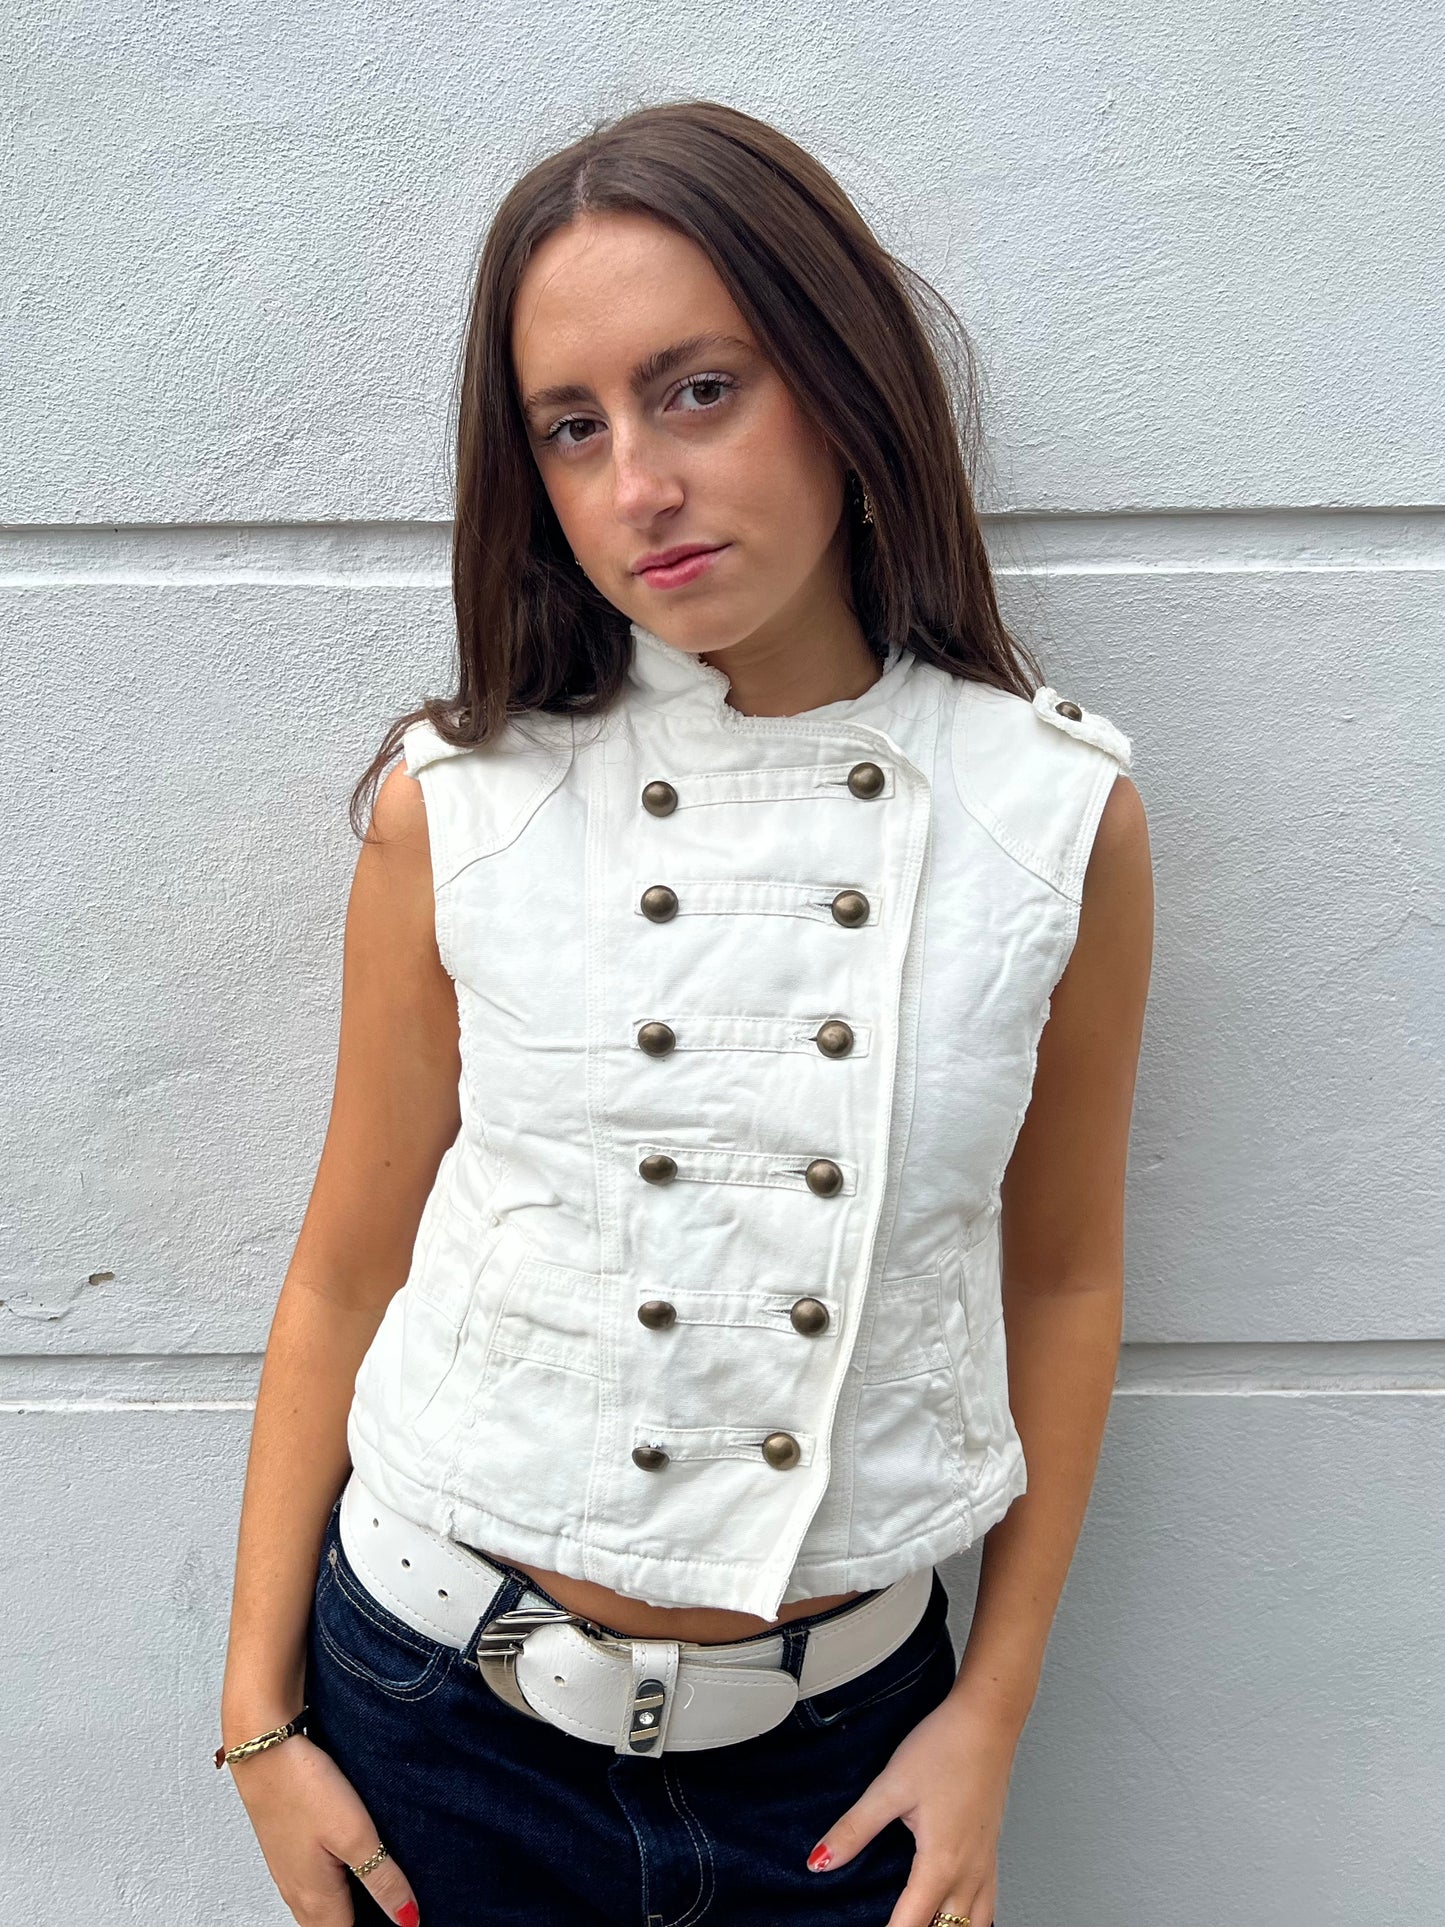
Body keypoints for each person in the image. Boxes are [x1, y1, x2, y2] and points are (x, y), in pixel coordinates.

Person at [215, 99, 1153, 1927]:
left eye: (697, 391)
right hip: (433, 1724)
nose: (636, 484)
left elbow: (1061, 1280)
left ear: (845, 390)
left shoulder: (1051, 816)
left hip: (843, 1767)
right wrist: (259, 1717)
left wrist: (991, 1711)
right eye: (571, 427)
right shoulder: (460, 804)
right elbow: (345, 1267)